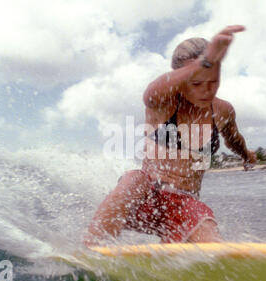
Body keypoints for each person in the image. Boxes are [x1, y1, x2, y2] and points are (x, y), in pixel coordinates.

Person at [84, 25, 256, 246]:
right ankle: (91, 250)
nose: (204, 88)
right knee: (134, 179)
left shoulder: (223, 110)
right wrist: (203, 61)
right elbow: (150, 94)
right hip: (146, 198)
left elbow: (233, 138)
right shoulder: (163, 103)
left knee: (211, 240)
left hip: (185, 204)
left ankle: (173, 262)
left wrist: (246, 154)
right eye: (194, 78)